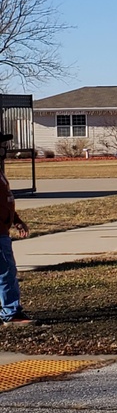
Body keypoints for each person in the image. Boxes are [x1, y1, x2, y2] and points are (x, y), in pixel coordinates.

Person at [0, 134, 34, 326]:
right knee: (6, 272)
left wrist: (16, 220)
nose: (5, 148)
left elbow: (6, 202)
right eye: (2, 145)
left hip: (3, 230)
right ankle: (12, 313)